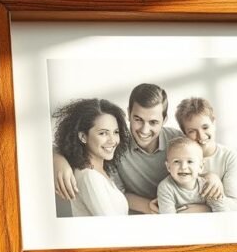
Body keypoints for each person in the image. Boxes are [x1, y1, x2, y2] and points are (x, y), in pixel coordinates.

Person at [54, 84, 224, 214]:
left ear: (164, 119)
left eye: (153, 122)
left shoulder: (178, 141)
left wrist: (212, 177)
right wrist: (56, 157)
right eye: (138, 119)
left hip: (181, 215)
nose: (144, 129)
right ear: (128, 114)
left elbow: (199, 168)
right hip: (140, 219)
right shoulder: (115, 145)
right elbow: (117, 191)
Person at [52, 98, 130, 217]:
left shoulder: (101, 171)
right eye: (103, 133)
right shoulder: (89, 177)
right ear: (83, 136)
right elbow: (113, 227)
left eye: (115, 132)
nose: (112, 140)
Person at [174, 97, 237, 210]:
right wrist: (209, 176)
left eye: (205, 127)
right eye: (192, 131)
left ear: (213, 123)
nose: (201, 136)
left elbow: (234, 205)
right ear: (184, 133)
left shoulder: (229, 157)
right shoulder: (177, 157)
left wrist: (201, 209)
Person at [156, 138, 230, 214]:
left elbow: (222, 212)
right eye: (176, 161)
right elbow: (168, 219)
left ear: (201, 167)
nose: (183, 167)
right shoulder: (166, 187)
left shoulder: (208, 185)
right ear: (168, 167)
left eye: (190, 161)